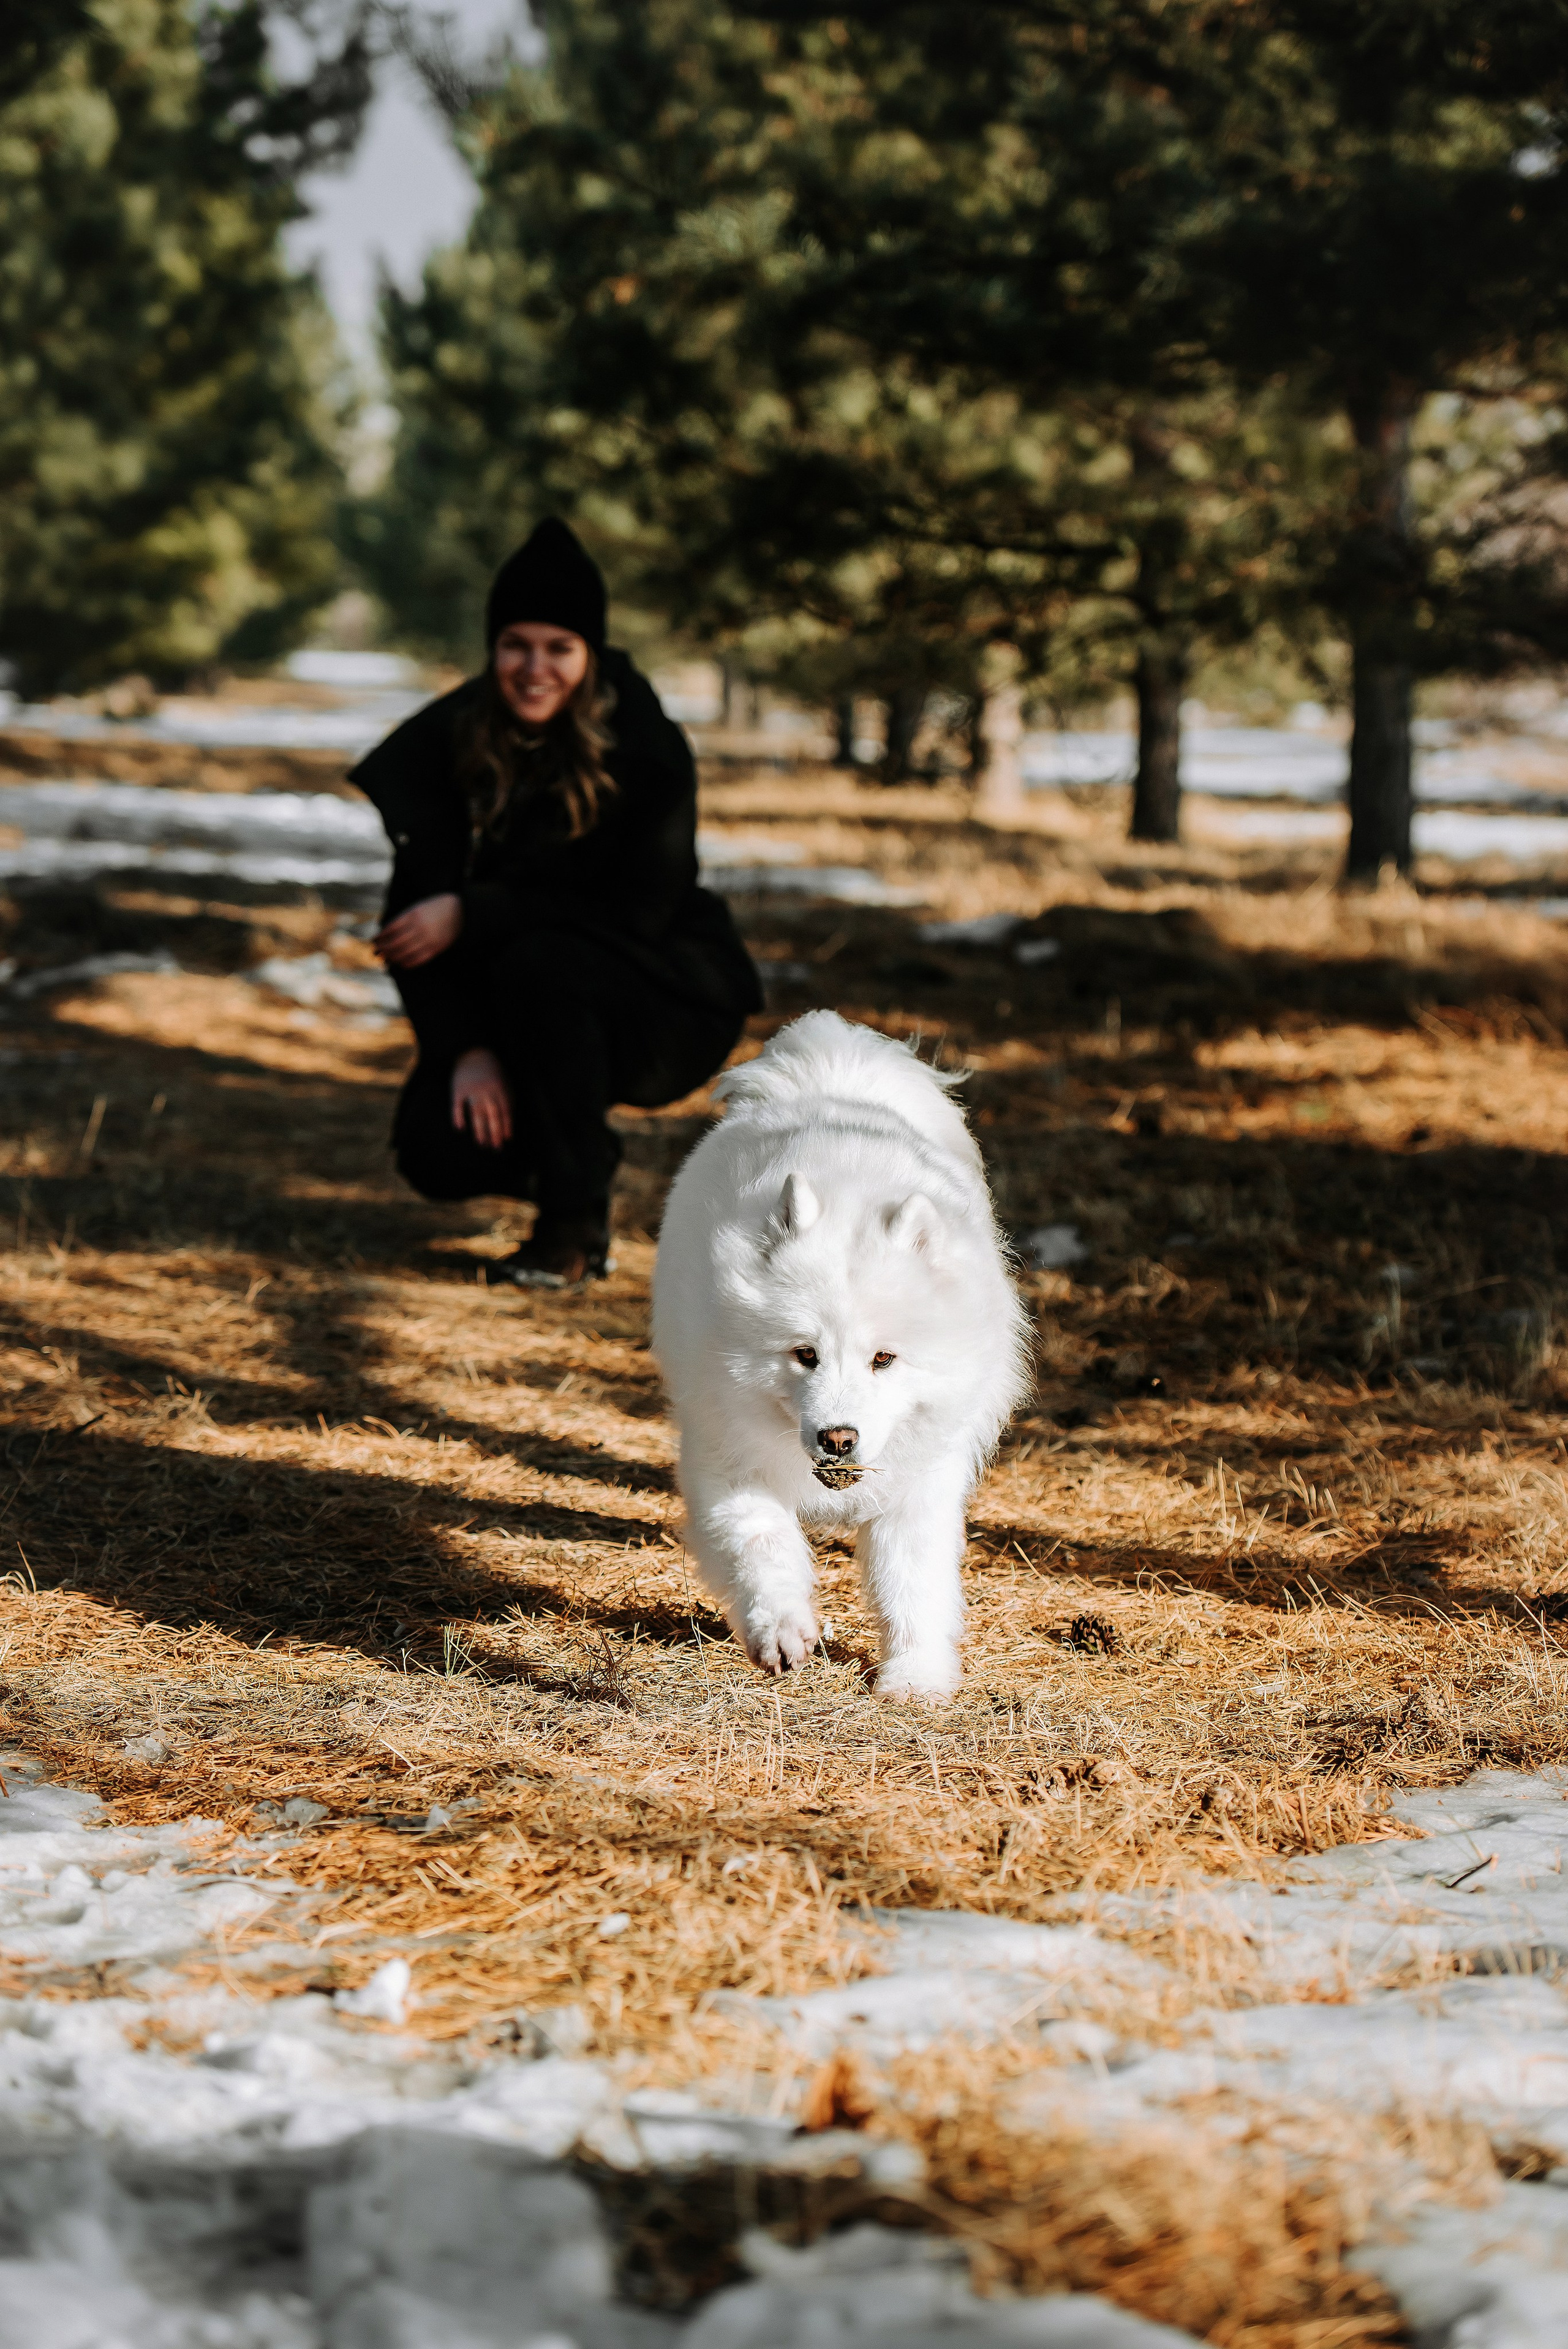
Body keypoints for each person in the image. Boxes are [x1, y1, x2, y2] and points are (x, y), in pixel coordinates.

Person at [351, 518, 762, 1286]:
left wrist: (476, 912)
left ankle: (572, 1230)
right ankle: (569, 1137)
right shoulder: (453, 743)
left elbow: (638, 907)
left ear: (591, 653)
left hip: (662, 996)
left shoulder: (644, 747)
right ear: (492, 648)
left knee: (546, 965)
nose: (534, 667)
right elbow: (414, 925)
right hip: (524, 998)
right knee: (437, 1147)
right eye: (516, 644)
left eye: (559, 648)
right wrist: (464, 1049)